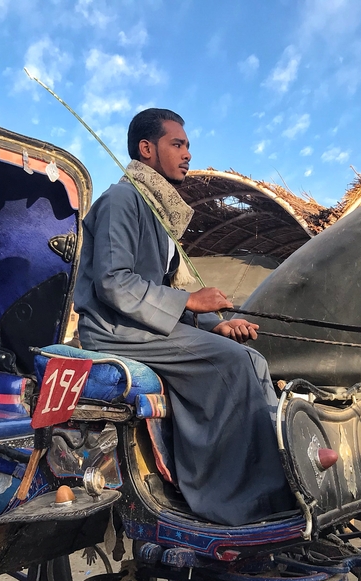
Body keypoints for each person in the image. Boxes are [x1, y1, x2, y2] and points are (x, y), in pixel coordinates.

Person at [72, 108, 295, 526]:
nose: (187, 153)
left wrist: (217, 324)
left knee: (255, 360)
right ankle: (229, 500)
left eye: (188, 145)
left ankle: (276, 486)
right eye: (177, 144)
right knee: (232, 363)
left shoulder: (158, 213)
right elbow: (115, 284)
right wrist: (192, 303)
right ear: (147, 149)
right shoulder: (122, 199)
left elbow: (160, 295)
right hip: (113, 332)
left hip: (142, 326)